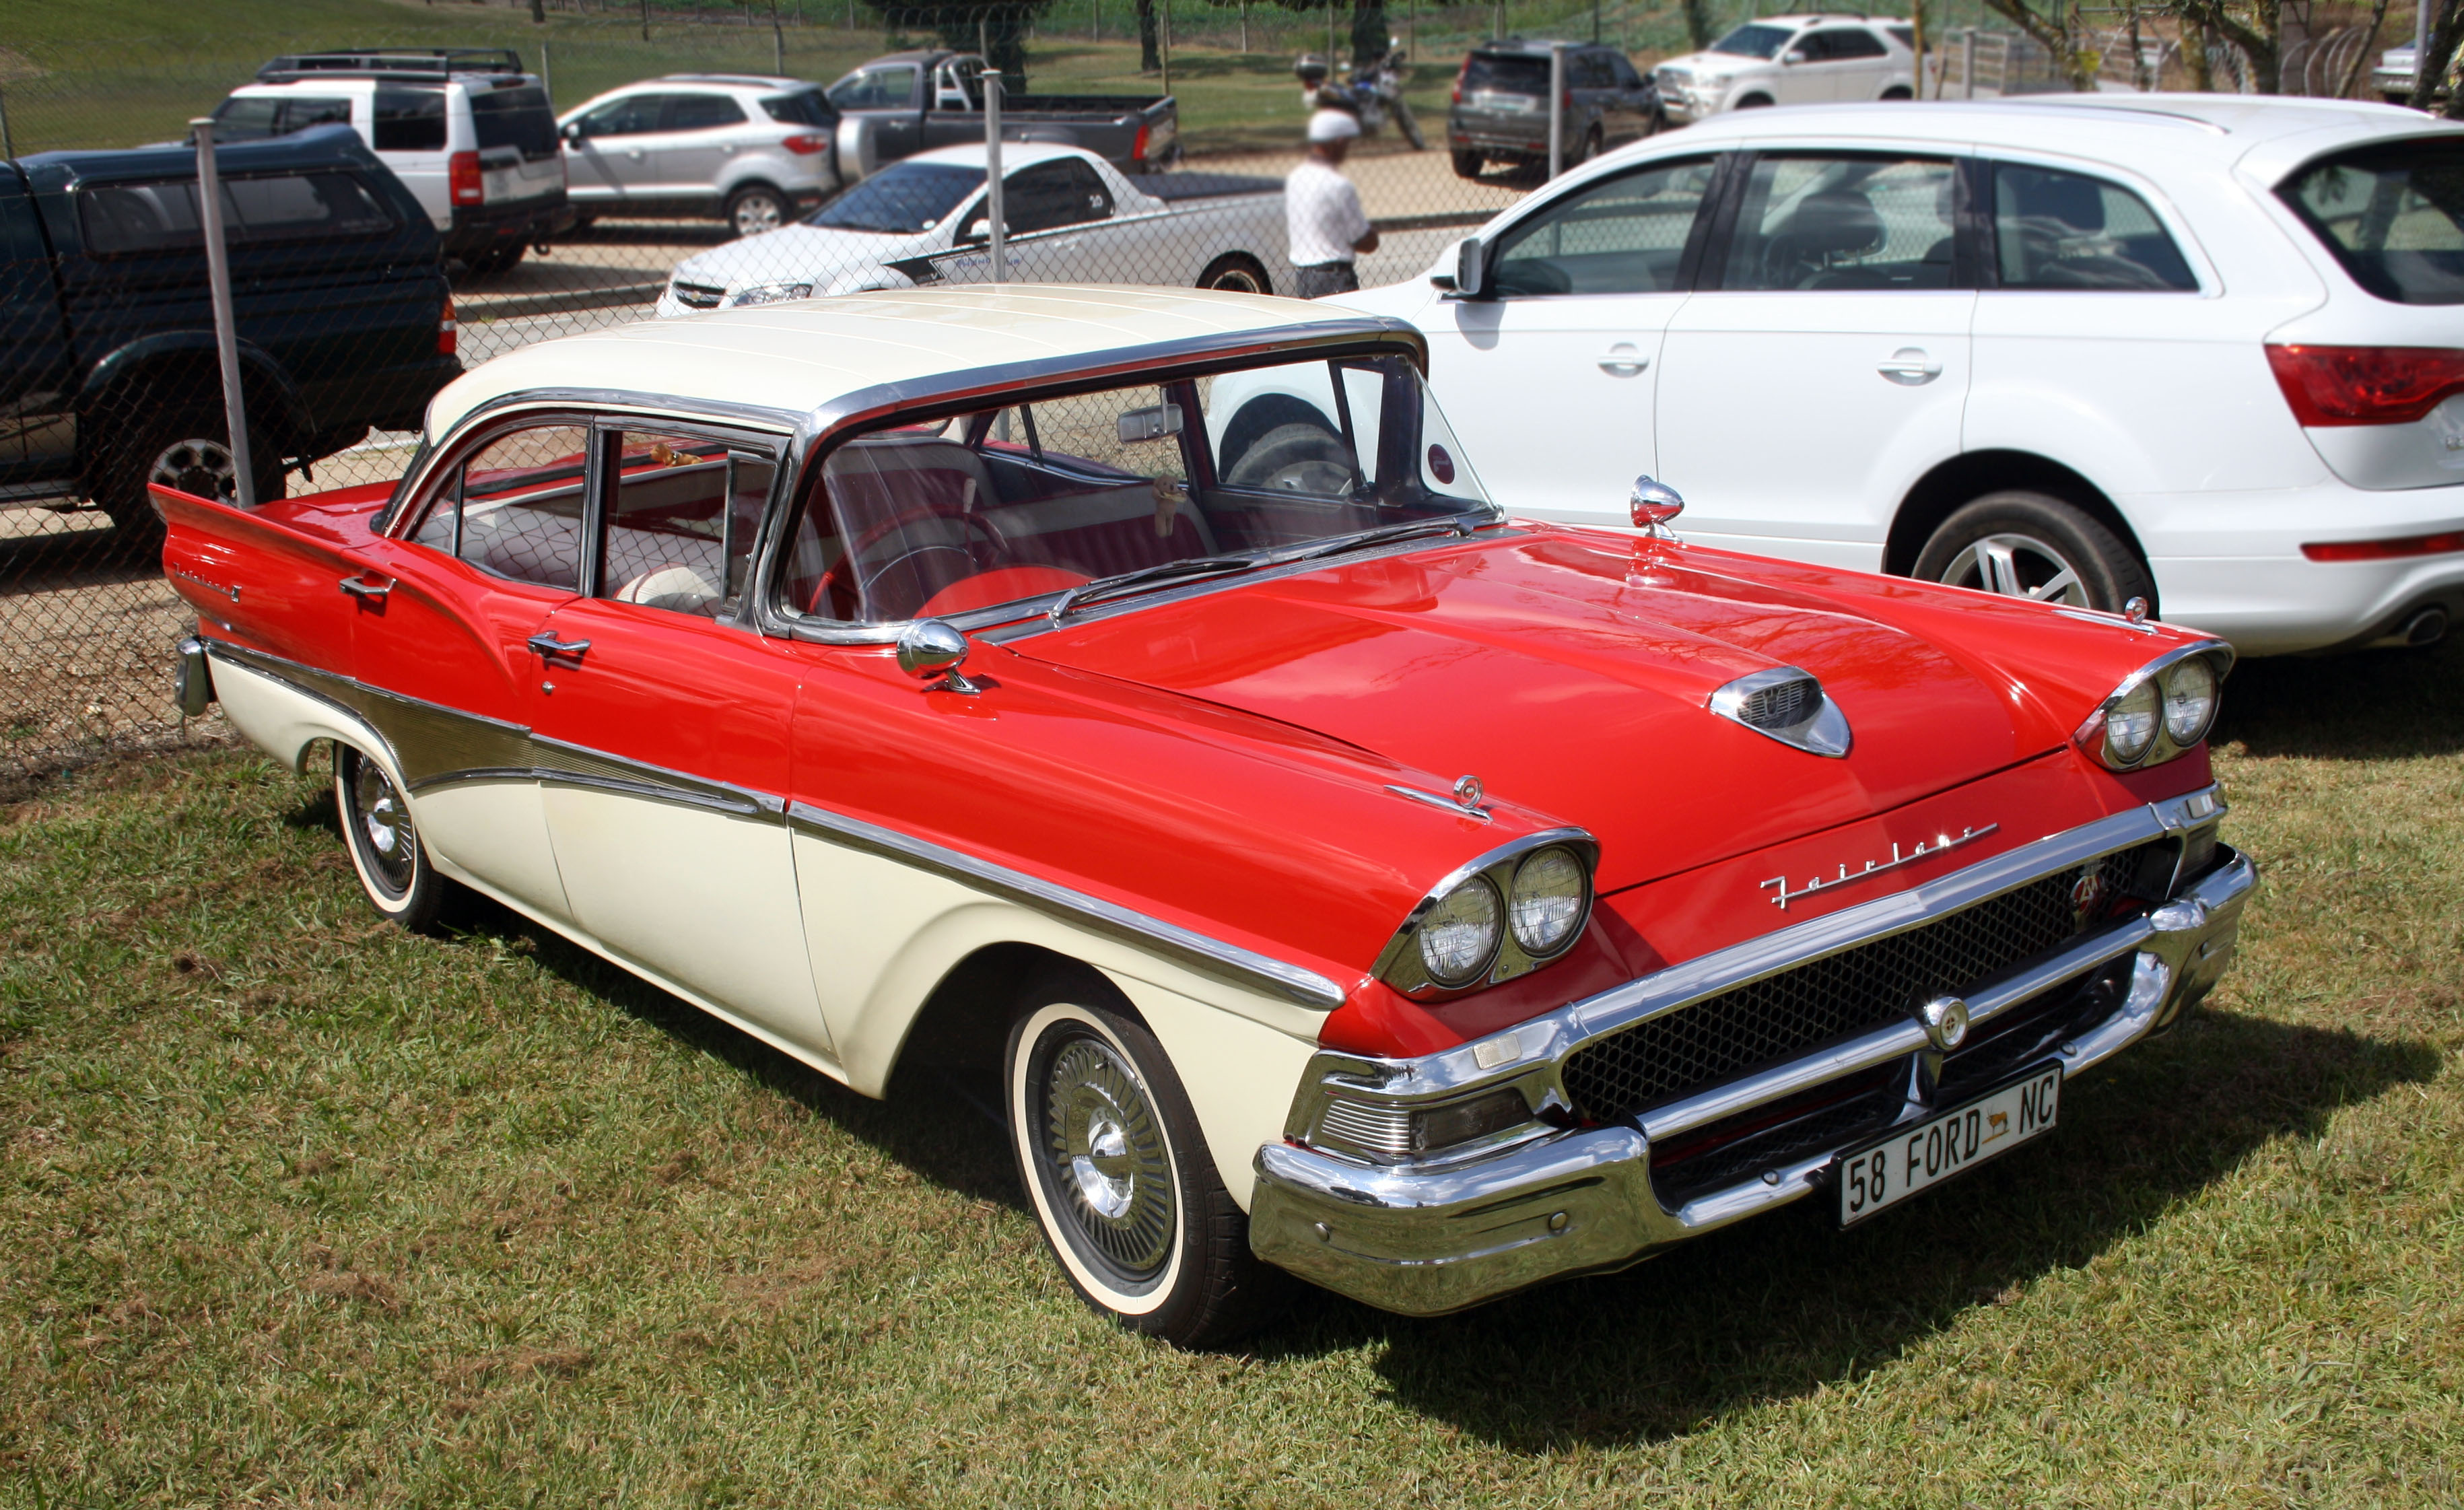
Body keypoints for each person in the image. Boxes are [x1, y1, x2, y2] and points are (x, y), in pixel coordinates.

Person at [1285, 108, 1379, 300]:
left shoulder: (1296, 178)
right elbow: (1363, 241)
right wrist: (1373, 236)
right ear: (1339, 142)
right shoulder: (1338, 185)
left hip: (1304, 275)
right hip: (1334, 276)